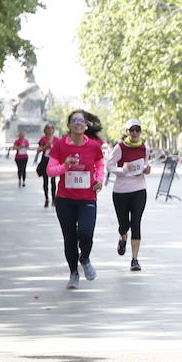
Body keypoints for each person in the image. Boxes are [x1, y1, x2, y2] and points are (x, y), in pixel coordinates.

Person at [45, 110, 106, 289]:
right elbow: (50, 170)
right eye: (74, 120)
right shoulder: (60, 145)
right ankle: (73, 273)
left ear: (86, 125)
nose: (78, 123)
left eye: (82, 120)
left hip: (88, 197)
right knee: (70, 238)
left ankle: (85, 258)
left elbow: (100, 164)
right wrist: (64, 166)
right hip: (65, 199)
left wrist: (100, 180)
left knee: (86, 233)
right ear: (69, 125)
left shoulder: (94, 146)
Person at [109, 120, 151, 271]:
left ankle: (135, 259)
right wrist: (124, 170)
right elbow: (109, 166)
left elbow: (145, 163)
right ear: (127, 131)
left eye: (137, 130)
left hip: (139, 189)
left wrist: (146, 169)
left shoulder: (144, 147)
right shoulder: (119, 148)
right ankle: (122, 236)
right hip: (121, 191)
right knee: (124, 224)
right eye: (131, 130)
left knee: (136, 223)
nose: (134, 133)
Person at [36, 123, 57, 207]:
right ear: (45, 129)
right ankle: (46, 198)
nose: (50, 129)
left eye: (51, 128)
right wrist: (47, 145)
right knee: (45, 181)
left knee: (53, 181)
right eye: (48, 128)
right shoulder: (43, 139)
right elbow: (39, 150)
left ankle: (54, 199)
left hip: (53, 161)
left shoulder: (56, 140)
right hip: (45, 160)